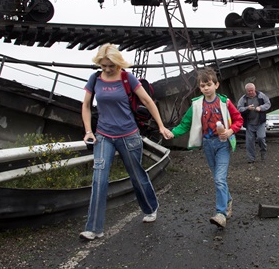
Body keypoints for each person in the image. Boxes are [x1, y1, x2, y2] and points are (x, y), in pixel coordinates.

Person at [79, 43, 173, 241]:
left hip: (129, 135)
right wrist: (88, 131)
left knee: (136, 176)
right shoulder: (95, 79)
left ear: (118, 63)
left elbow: (147, 101)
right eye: (103, 65)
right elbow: (86, 105)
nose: (106, 69)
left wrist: (162, 126)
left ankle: (150, 208)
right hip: (103, 135)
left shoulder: (126, 78)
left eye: (110, 65)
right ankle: (94, 228)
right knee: (99, 179)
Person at [167, 68, 243, 228]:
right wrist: (172, 133)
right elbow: (185, 124)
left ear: (216, 84)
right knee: (217, 178)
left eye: (208, 84)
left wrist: (230, 131)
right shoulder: (196, 105)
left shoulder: (224, 102)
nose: (206, 88)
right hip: (208, 145)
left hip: (223, 144)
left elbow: (238, 119)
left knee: (219, 179)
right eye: (202, 86)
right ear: (200, 88)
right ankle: (228, 200)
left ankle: (221, 213)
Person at [237, 83, 271, 163]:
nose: (250, 92)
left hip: (260, 122)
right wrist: (247, 108)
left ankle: (263, 152)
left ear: (254, 89)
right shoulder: (243, 99)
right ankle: (251, 158)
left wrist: (261, 108)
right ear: (246, 91)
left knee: (261, 138)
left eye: (252, 90)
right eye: (248, 91)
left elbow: (268, 104)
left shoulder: (261, 96)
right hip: (249, 123)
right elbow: (239, 108)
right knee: (249, 142)